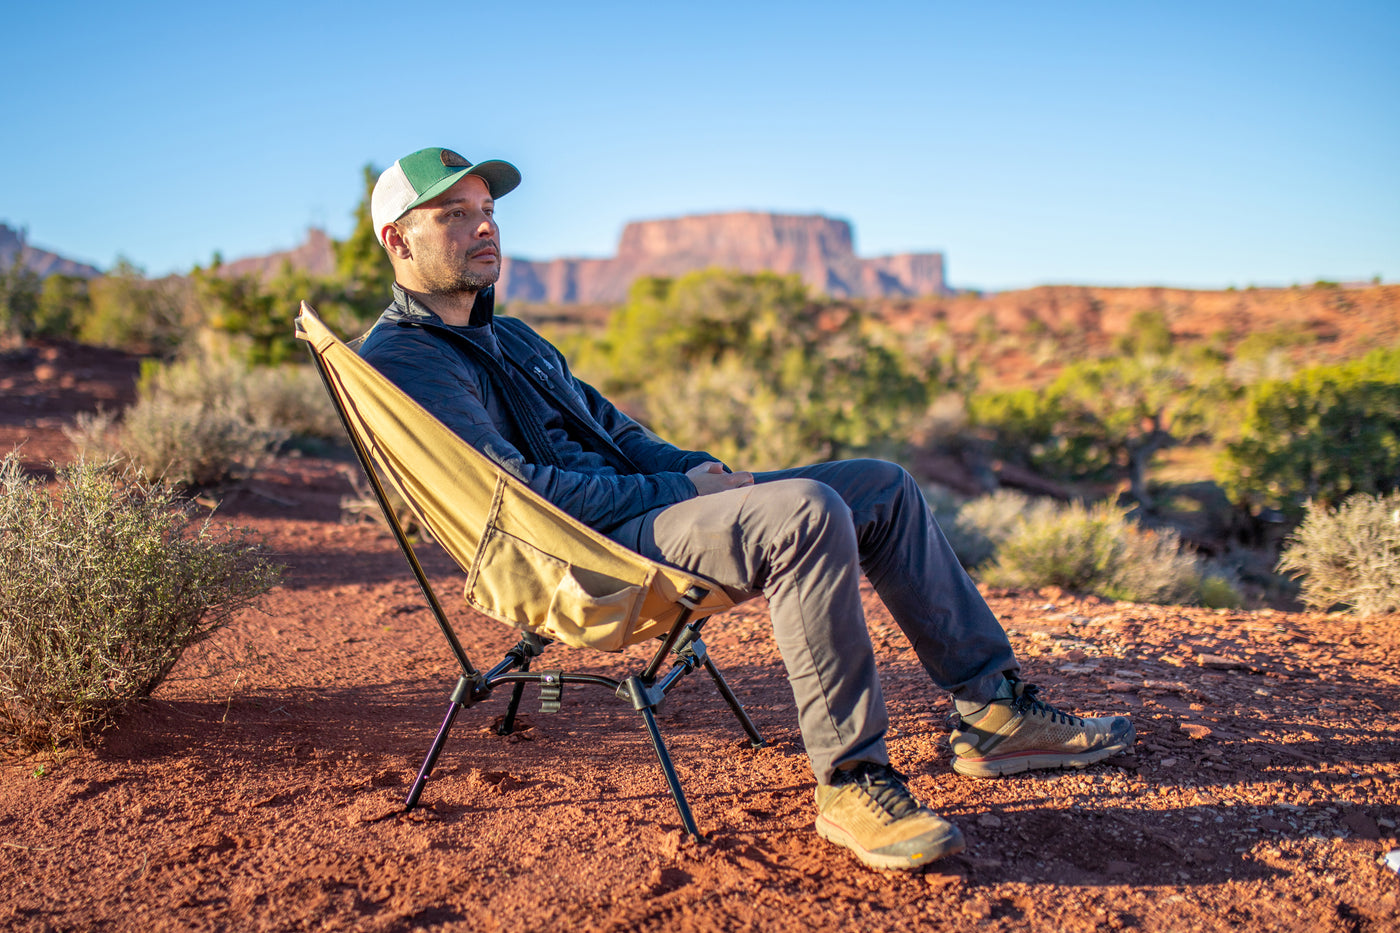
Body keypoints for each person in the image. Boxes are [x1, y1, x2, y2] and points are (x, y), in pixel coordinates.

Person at [358, 146, 1135, 871]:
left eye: (487, 209)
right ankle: (851, 782)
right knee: (803, 513)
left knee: (881, 484)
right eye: (453, 214)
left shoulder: (516, 339)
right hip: (579, 551)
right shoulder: (404, 358)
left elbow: (619, 433)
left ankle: (995, 712)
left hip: (643, 513)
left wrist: (697, 470)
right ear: (397, 240)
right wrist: (682, 493)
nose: (484, 225)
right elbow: (521, 497)